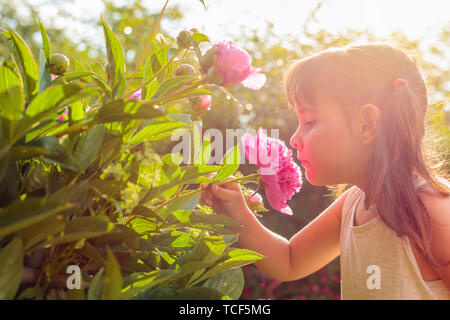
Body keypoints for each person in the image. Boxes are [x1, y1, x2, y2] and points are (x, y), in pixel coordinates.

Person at [200, 42, 450, 300]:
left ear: (366, 125)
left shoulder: (432, 211)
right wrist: (238, 212)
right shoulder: (353, 204)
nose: (294, 138)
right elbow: (289, 260)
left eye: (309, 122)